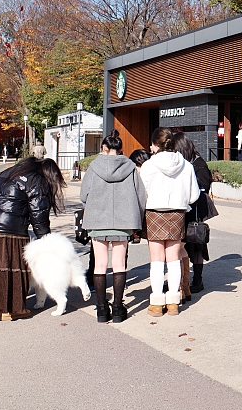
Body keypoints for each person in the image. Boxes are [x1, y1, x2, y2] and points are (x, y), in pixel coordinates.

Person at [0, 158, 65, 320]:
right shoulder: (36, 180)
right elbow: (39, 215)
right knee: (9, 269)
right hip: (11, 232)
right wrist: (47, 241)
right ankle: (8, 309)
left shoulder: (2, 175)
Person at [80, 131, 146, 323]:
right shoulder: (131, 167)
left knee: (100, 265)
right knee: (119, 264)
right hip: (124, 221)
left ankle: (101, 309)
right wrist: (137, 220)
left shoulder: (94, 167)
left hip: (98, 220)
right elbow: (141, 197)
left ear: (104, 149)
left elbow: (84, 195)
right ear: (121, 150)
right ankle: (117, 308)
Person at [139, 128, 200, 317]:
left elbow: (142, 194)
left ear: (156, 144)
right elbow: (194, 196)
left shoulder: (149, 166)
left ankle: (157, 303)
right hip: (177, 214)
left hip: (154, 213)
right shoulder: (186, 166)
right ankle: (174, 302)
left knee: (156, 261)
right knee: (174, 259)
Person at [173, 134, 218, 299]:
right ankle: (180, 279)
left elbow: (203, 187)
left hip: (195, 210)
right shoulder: (186, 163)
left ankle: (197, 279)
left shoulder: (198, 164)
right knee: (182, 245)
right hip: (184, 208)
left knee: (197, 245)